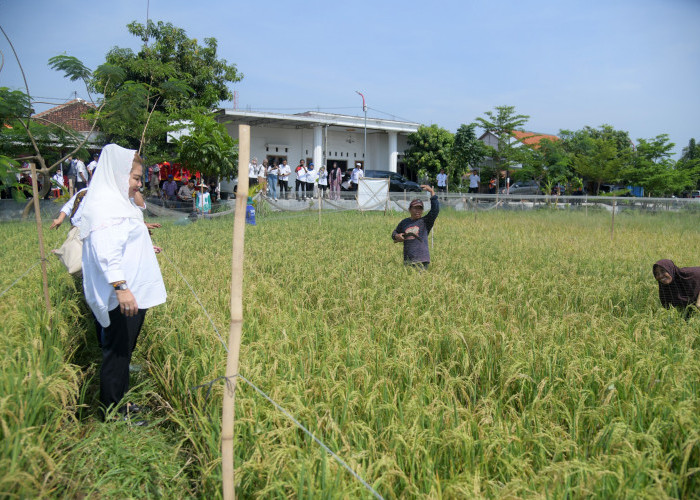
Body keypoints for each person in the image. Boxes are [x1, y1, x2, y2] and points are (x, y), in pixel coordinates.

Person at [79, 144, 166, 421]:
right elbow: (106, 252)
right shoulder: (106, 206)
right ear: (118, 175)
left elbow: (120, 241)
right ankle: (112, 412)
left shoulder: (114, 202)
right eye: (136, 178)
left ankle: (120, 402)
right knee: (117, 352)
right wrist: (121, 288)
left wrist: (142, 248)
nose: (139, 184)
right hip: (123, 295)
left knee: (124, 350)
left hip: (129, 292)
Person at [391, 185, 439, 269]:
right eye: (415, 208)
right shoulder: (404, 222)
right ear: (409, 209)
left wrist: (432, 192)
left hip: (422, 260)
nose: (418, 211)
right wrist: (396, 236)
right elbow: (394, 233)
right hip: (408, 260)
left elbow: (435, 210)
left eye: (420, 208)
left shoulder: (425, 222)